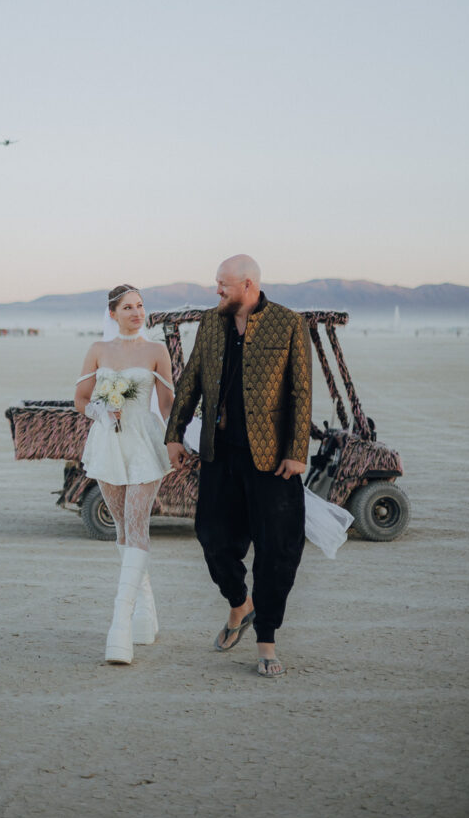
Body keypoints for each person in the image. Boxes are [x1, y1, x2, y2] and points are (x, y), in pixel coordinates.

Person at [165, 254, 312, 678]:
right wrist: (175, 434)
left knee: (278, 550)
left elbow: (302, 391)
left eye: (223, 284)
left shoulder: (287, 323)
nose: (217, 290)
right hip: (220, 452)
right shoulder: (211, 323)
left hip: (272, 461)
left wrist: (296, 450)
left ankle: (265, 640)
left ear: (248, 284)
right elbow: (190, 378)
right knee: (211, 537)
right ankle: (239, 604)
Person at [74, 285, 175, 664]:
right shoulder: (98, 351)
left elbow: (167, 403)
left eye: (141, 306)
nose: (137, 312)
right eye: (128, 307)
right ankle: (145, 613)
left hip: (144, 443)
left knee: (137, 523)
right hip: (107, 444)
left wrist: (178, 441)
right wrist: (100, 411)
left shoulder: (156, 352)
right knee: (121, 529)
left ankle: (120, 624)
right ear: (113, 314)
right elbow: (81, 399)